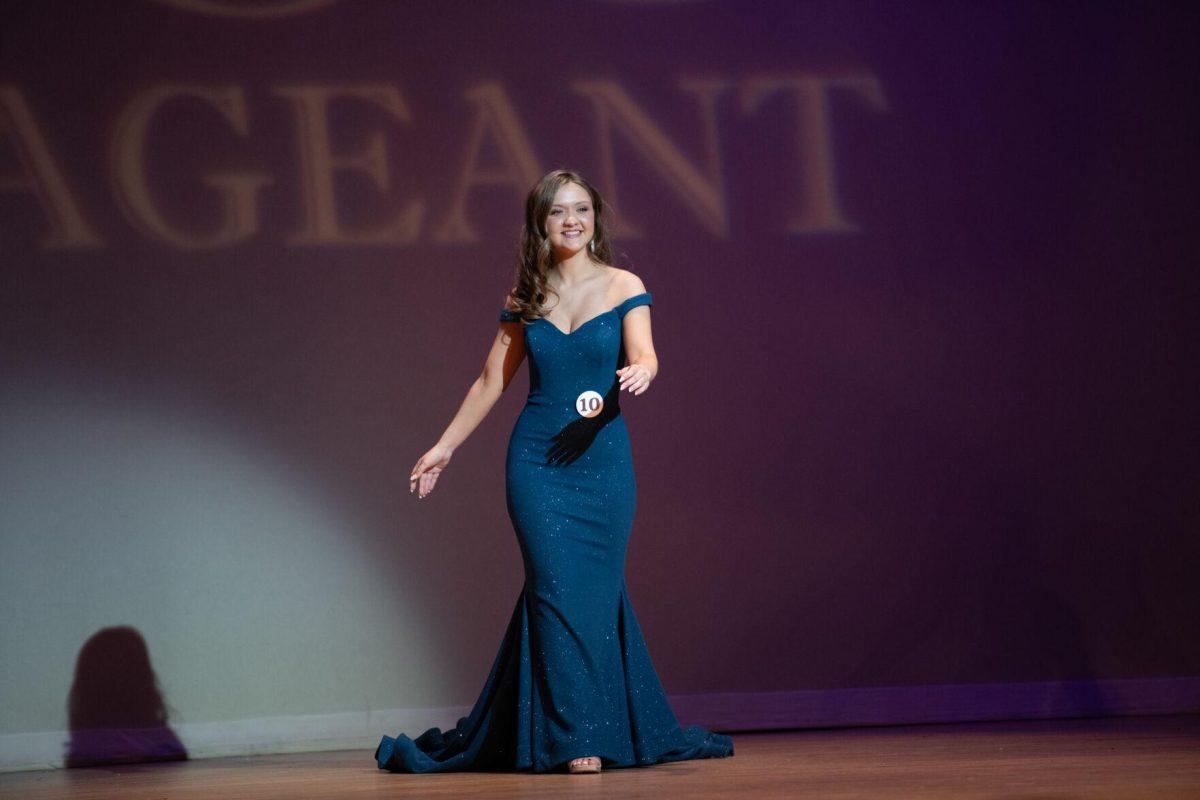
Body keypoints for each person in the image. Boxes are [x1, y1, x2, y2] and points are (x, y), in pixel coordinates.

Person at [374, 169, 734, 774]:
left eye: (583, 210)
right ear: (540, 222)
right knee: (555, 592)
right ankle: (575, 738)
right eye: (559, 211)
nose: (573, 220)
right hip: (538, 467)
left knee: (588, 596)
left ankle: (569, 725)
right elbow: (492, 380)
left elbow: (644, 351)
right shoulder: (526, 296)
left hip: (603, 465)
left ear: (596, 219)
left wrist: (643, 369)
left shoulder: (624, 285)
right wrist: (445, 447)